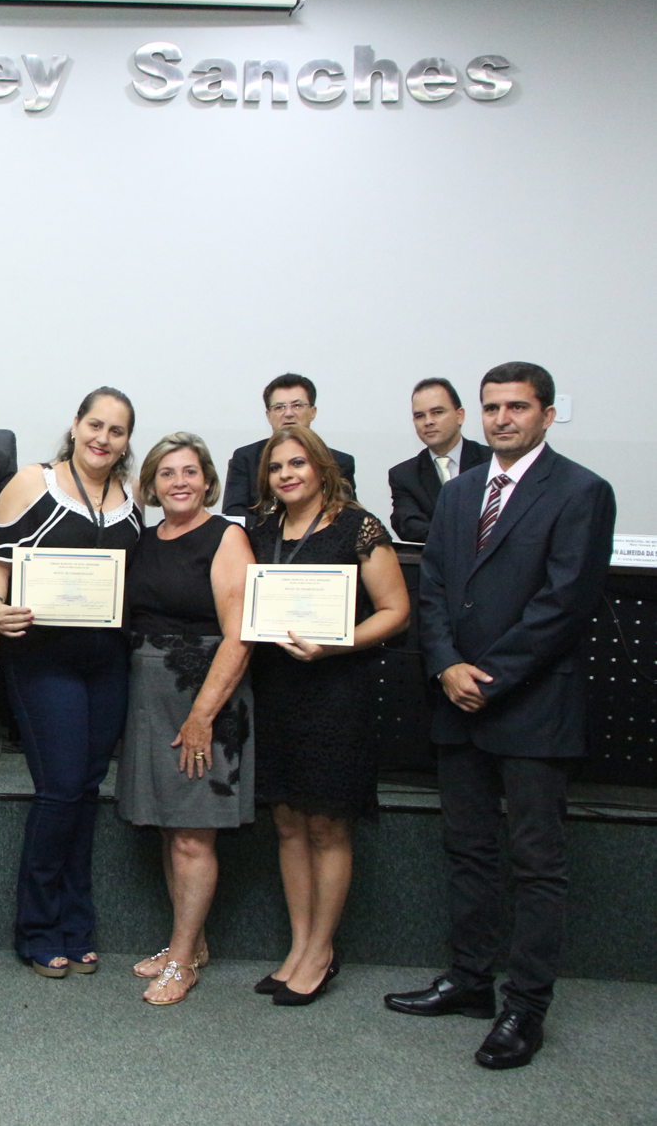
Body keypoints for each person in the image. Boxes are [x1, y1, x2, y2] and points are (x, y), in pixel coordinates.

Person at [385, 362, 616, 1070]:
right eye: (492, 407)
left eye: (518, 406)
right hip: (457, 700)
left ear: (547, 414)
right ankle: (470, 978)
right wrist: (447, 665)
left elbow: (565, 602)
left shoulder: (581, 490)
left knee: (537, 859)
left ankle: (526, 1004)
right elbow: (436, 591)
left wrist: (489, 677)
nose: (502, 418)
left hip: (532, 704)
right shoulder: (458, 494)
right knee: (469, 847)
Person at [0, 388, 144, 978]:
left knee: (88, 788)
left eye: (117, 431)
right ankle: (38, 927)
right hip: (42, 661)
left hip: (107, 662)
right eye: (95, 425)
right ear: (75, 425)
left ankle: (78, 925)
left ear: (128, 441)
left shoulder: (132, 498)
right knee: (60, 787)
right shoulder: (33, 483)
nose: (103, 438)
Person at [245, 426, 409, 1005]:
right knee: (288, 819)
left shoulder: (357, 526)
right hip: (276, 689)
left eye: (298, 464)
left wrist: (336, 644)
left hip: (337, 691)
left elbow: (396, 610)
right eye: (276, 467)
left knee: (327, 822)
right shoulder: (260, 527)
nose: (287, 474)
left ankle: (321, 950)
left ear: (320, 467)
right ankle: (298, 946)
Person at [117, 433, 255, 1006]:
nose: (180, 482)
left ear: (207, 481)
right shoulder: (145, 541)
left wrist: (202, 715)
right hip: (151, 697)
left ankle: (181, 961)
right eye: (167, 473)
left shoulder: (227, 536)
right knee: (173, 828)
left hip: (205, 699)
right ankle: (188, 945)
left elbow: (240, 632)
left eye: (190, 472)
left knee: (194, 836)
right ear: (151, 484)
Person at [221, 374, 357, 522]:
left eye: (297, 405)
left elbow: (347, 515)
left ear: (313, 412)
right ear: (269, 416)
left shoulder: (339, 461)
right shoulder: (246, 458)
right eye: (279, 407)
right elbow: (234, 514)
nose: (289, 413)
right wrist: (274, 532)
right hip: (258, 541)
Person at [387, 377, 492, 543]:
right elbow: (408, 525)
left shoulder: (492, 461)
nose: (428, 422)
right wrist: (466, 535)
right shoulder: (404, 475)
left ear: (460, 416)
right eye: (420, 416)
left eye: (437, 412)